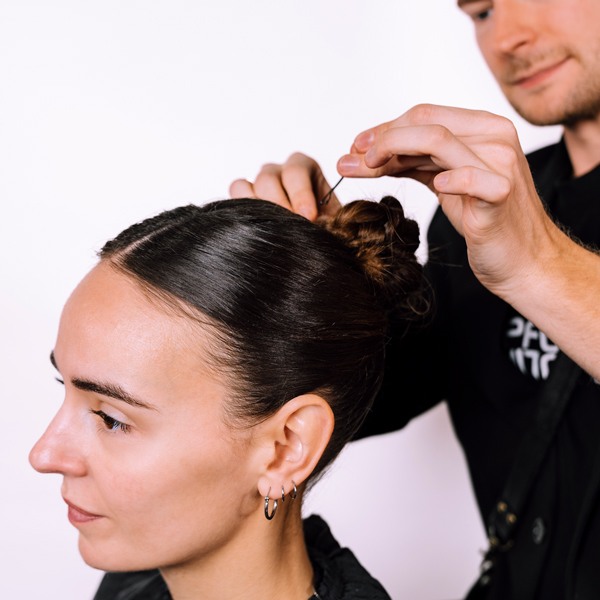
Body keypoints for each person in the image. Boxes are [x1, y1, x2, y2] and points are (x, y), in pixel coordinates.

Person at [229, 1, 600, 598]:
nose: (508, 37)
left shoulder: (494, 211)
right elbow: (359, 399)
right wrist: (318, 273)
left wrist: (537, 264)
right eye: (482, 12)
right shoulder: (477, 212)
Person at [28, 197, 426, 600]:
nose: (43, 455)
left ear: (285, 448)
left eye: (112, 419)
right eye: (65, 389)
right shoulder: (131, 585)